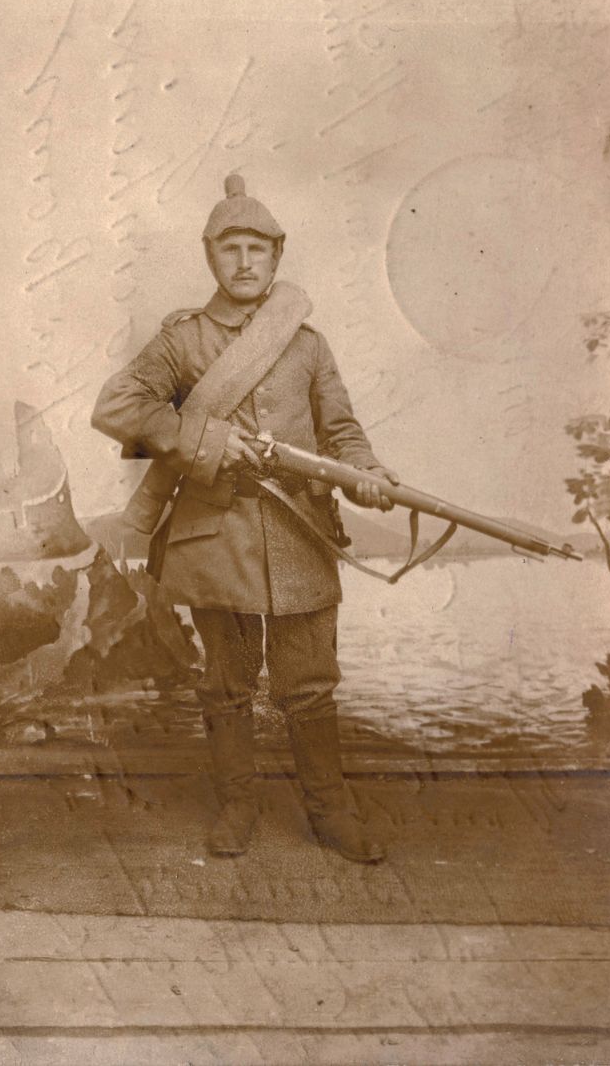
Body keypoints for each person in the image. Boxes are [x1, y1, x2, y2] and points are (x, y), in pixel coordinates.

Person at [92, 176, 399, 863]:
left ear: (276, 255)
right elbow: (115, 407)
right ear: (210, 257)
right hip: (212, 535)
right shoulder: (183, 341)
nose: (243, 262)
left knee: (309, 683)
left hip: (299, 532)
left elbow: (341, 430)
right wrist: (202, 440)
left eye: (256, 247)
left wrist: (367, 475)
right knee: (226, 686)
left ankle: (329, 811)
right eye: (229, 247)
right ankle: (237, 806)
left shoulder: (307, 345)